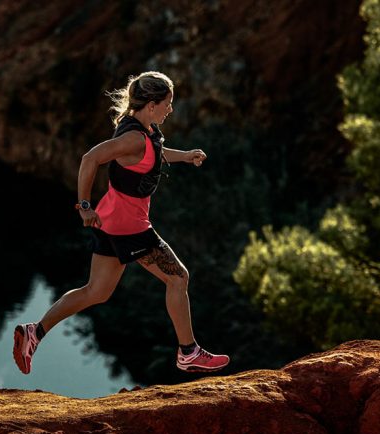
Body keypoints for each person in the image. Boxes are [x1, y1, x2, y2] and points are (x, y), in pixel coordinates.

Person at [13, 71, 229, 375]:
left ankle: (34, 332)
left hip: (110, 220)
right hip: (129, 226)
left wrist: (185, 156)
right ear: (152, 104)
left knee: (96, 292)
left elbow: (154, 153)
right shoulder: (132, 137)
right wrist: (83, 205)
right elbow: (90, 158)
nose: (171, 109)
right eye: (168, 103)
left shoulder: (143, 129)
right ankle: (188, 352)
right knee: (178, 278)